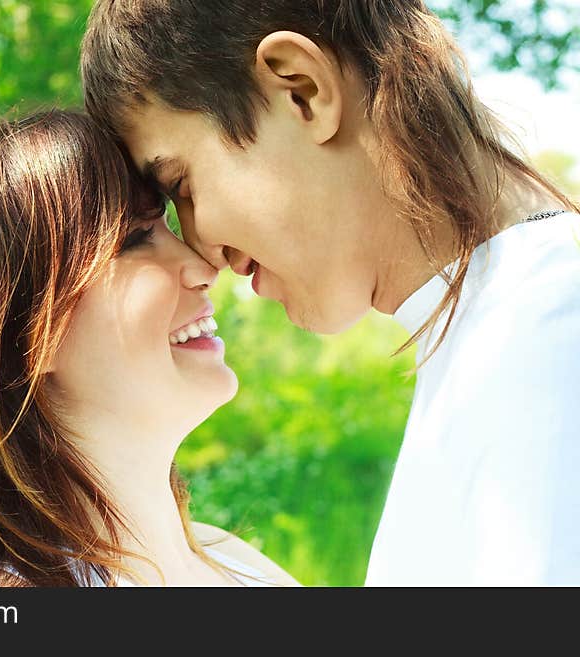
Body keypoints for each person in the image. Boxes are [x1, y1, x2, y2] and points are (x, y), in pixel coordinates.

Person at [81, 0, 580, 585]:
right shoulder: (501, 333)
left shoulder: (549, 349)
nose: (201, 249)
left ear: (302, 90)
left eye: (181, 184)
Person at [0, 110, 297, 587]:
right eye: (135, 240)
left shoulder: (231, 559)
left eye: (167, 228)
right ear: (23, 336)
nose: (204, 266)